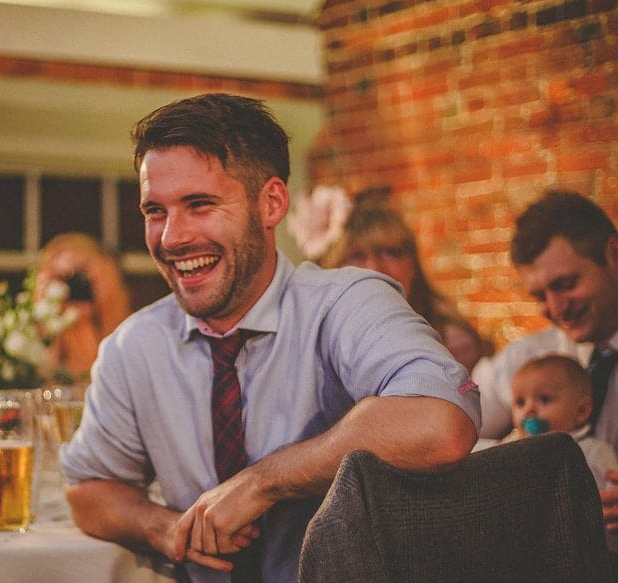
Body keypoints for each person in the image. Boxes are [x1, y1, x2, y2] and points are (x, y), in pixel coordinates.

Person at [60, 93, 481, 582]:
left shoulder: (346, 301)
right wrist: (164, 527)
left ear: (272, 203)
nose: (172, 238)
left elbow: (441, 422)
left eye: (200, 205)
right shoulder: (132, 347)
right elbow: (89, 488)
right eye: (156, 211)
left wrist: (262, 483)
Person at [473, 189, 618, 581]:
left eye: (566, 284)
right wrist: (508, 455)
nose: (555, 308)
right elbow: (452, 436)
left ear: (615, 255)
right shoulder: (527, 360)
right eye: (539, 295)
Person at [317, 197, 492, 371]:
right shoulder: (320, 336)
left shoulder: (451, 341)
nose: (374, 269)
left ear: (413, 265)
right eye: (357, 256)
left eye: (391, 253)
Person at [500, 354, 618, 490]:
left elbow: (616, 496)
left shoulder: (593, 452)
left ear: (581, 411)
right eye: (520, 402)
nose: (529, 410)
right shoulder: (509, 447)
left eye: (544, 399)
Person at [36, 232, 132, 393]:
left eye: (81, 277)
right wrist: (46, 311)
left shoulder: (132, 337)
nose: (75, 287)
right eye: (66, 278)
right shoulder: (25, 340)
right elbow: (42, 376)